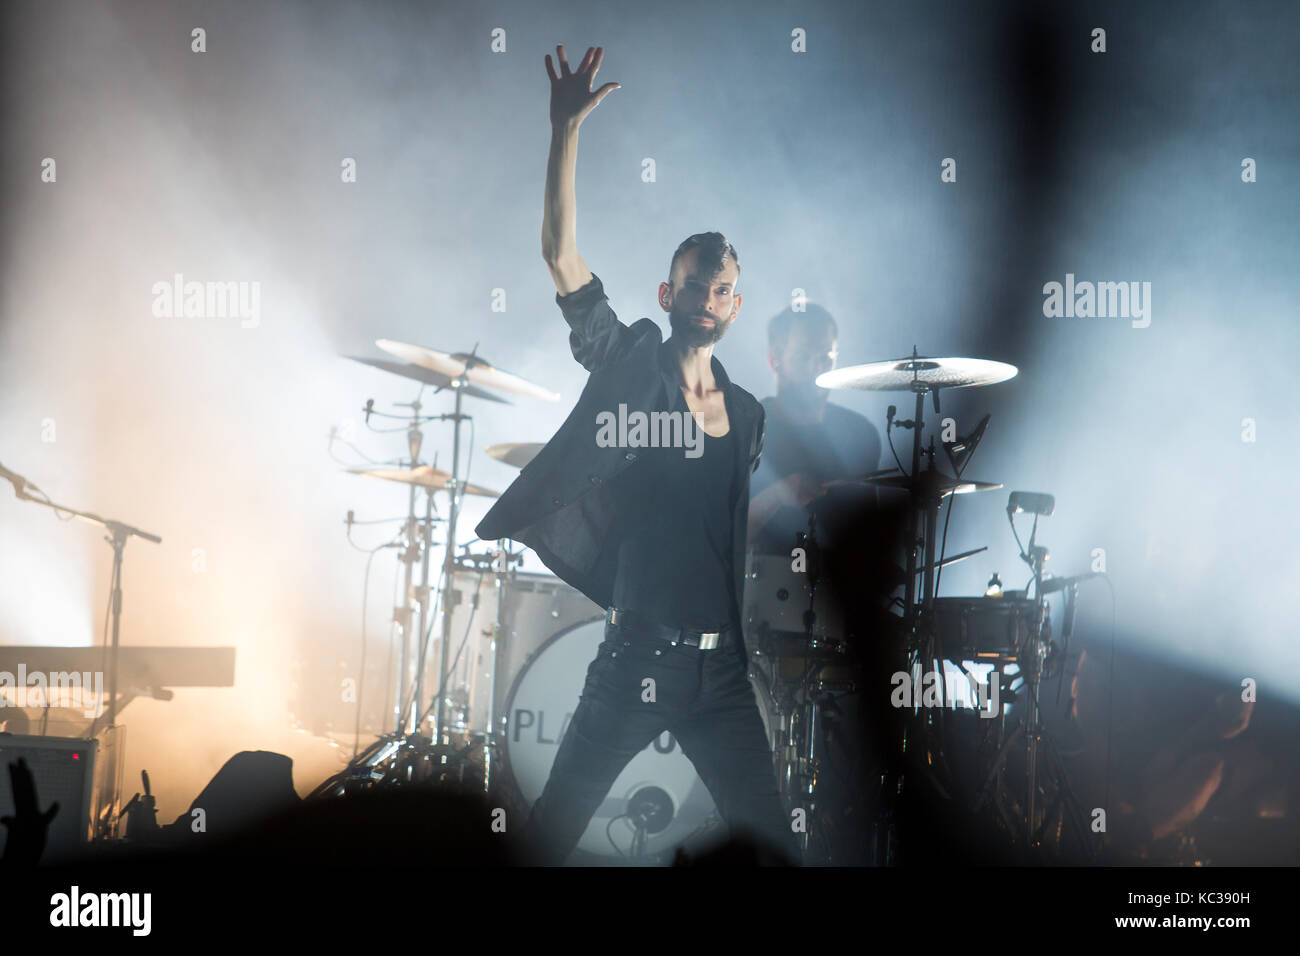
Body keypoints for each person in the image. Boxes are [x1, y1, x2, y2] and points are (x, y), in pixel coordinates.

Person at [475, 45, 797, 865]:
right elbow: (560, 258)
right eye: (693, 285)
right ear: (668, 293)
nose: (707, 301)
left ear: (735, 304)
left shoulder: (750, 415)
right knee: (549, 836)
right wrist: (564, 131)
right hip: (635, 662)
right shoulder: (632, 363)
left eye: (721, 290)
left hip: (722, 677)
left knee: (777, 850)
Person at [747, 303, 882, 557]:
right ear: (774, 359)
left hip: (840, 590)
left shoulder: (861, 433)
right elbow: (721, 537)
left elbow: (871, 539)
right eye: (803, 357)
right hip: (763, 590)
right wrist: (776, 496)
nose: (816, 368)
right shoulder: (745, 427)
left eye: (825, 358)